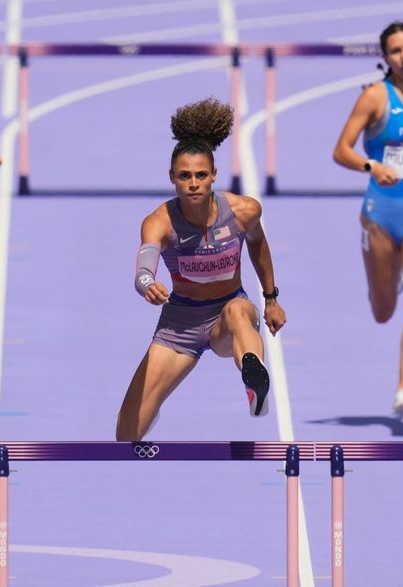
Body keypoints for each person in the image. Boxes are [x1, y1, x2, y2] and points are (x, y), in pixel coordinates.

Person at [116, 97, 286, 441]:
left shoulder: (243, 211)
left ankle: (254, 379)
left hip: (227, 313)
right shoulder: (160, 222)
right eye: (184, 176)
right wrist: (146, 282)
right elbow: (145, 261)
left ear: (213, 177)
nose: (193, 183)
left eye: (200, 175)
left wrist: (270, 298)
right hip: (180, 323)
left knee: (240, 312)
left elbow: (258, 244)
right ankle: (153, 405)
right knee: (126, 434)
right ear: (172, 179)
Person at [333, 21, 403, 417]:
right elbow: (340, 149)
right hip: (379, 214)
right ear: (386, 57)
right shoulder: (375, 98)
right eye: (395, 51)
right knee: (383, 312)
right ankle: (388, 274)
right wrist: (371, 166)